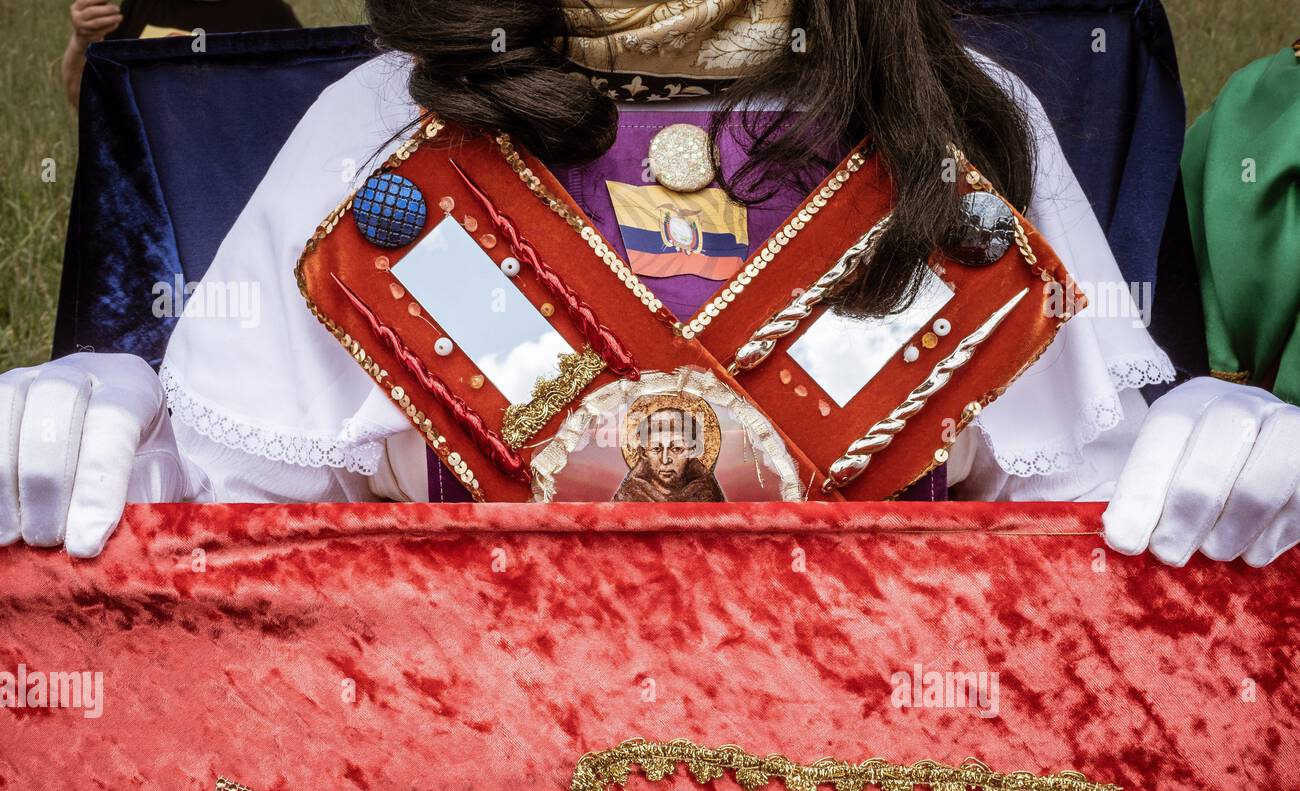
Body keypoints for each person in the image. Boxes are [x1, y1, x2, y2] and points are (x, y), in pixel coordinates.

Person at [6, 0, 1299, 568]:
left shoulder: (958, 129)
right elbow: (237, 566)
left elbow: (1094, 562)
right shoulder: (376, 134)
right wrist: (119, 441)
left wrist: (1210, 474)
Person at [62, 0, 301, 107]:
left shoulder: (272, 14)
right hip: (153, 188)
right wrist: (84, 41)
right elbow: (87, 101)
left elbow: (303, 108)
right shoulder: (140, 6)